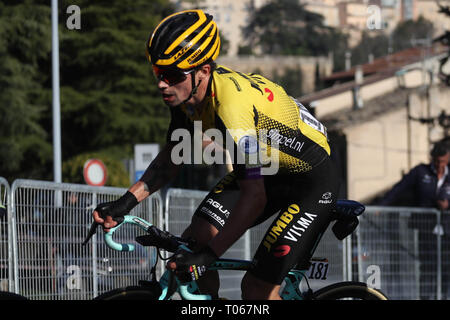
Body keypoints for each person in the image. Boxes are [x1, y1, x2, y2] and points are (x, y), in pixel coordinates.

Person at [92, 9, 339, 300]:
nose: (162, 83)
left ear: (203, 71)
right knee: (195, 239)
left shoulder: (232, 109)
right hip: (270, 167)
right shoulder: (185, 97)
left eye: (171, 75)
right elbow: (170, 159)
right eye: (159, 73)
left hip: (310, 180)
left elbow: (255, 196)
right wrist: (125, 203)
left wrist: (208, 256)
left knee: (256, 289)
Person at [379, 141, 450, 299]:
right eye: (437, 161)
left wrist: (447, 204)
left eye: (443, 162)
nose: (440, 165)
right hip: (426, 230)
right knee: (427, 268)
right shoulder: (420, 172)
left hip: (447, 231)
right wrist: (381, 206)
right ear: (432, 158)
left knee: (447, 268)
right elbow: (399, 189)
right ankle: (425, 297)